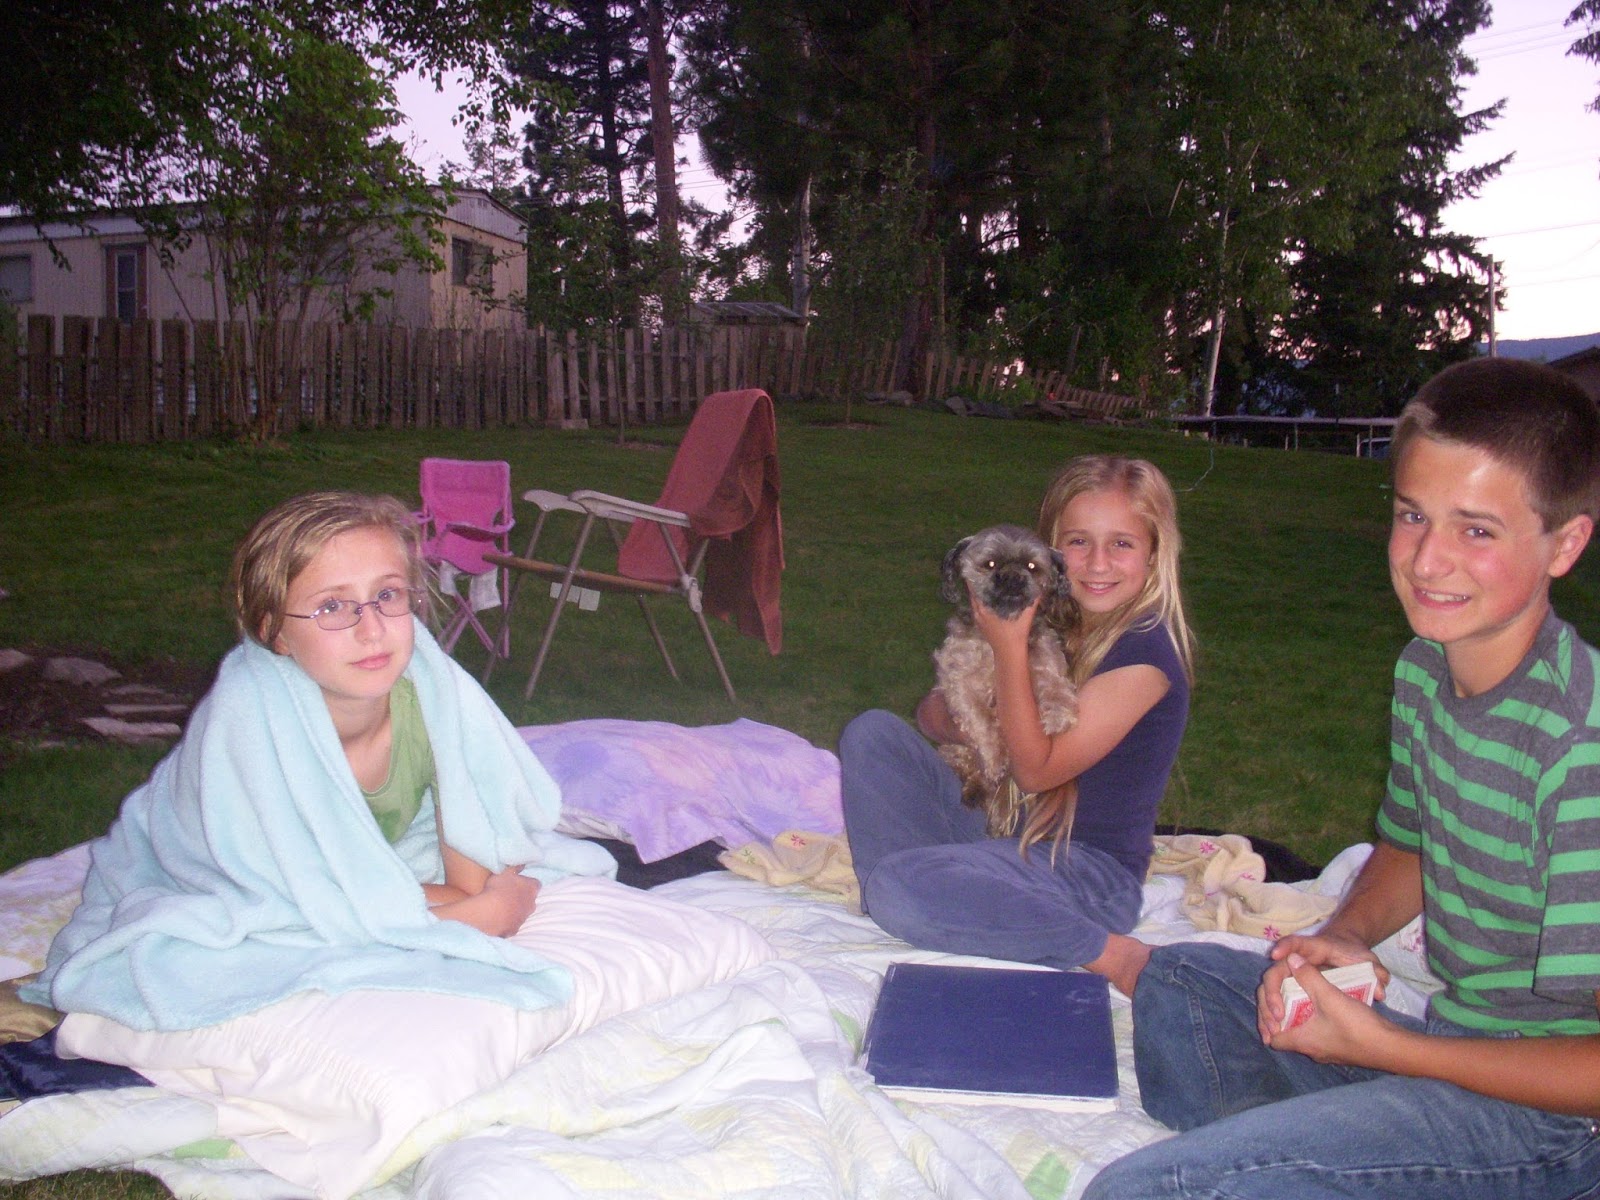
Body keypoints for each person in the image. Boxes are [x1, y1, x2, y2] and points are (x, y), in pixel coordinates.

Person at [1084, 357, 1600, 1200]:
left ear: (1565, 544)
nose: (1428, 560)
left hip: (1554, 1124)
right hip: (1446, 1052)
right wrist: (1349, 934)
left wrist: (1385, 1048)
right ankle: (1327, 1160)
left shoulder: (1579, 749)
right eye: (1412, 515)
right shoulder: (1425, 671)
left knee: (1148, 1192)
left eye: (1476, 531)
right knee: (1180, 984)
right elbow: (1412, 843)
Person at [25, 491, 614, 1032]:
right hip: (201, 854)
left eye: (388, 595)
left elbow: (469, 873)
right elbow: (296, 903)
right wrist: (484, 916)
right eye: (332, 606)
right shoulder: (249, 719)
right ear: (274, 633)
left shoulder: (435, 693)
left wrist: (467, 900)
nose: (372, 629)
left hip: (352, 870)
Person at [840, 455, 1195, 997]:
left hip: (1088, 873)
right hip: (1004, 837)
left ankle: (1107, 952)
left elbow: (1035, 772)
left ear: (1153, 553)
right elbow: (931, 715)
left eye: (1121, 544)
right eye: (1078, 542)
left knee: (897, 885)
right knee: (872, 734)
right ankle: (953, 899)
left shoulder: (1146, 656)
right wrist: (969, 718)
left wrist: (1008, 646)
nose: (1097, 563)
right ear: (1050, 552)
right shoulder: (1058, 619)